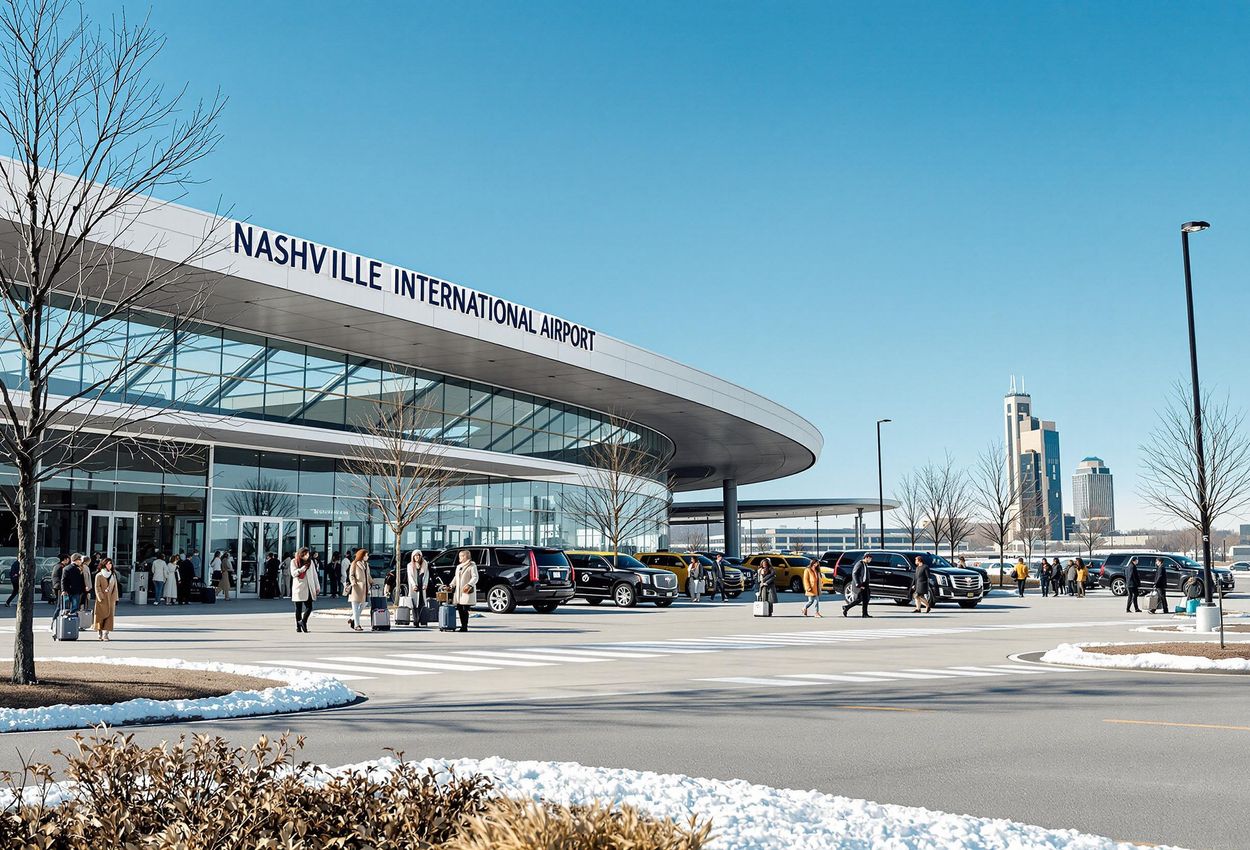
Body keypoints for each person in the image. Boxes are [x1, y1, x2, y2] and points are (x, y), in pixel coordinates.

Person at [290, 547, 319, 633]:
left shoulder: (310, 562)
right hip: (298, 587)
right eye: (305, 554)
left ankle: (303, 621)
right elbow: (293, 573)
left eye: (308, 554)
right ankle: (298, 627)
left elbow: (314, 575)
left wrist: (317, 586)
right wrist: (301, 569)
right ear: (301, 554)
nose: (307, 555)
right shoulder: (294, 561)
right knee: (298, 608)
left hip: (309, 587)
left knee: (309, 607)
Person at [93, 557, 119, 641]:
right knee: (100, 616)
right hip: (102, 599)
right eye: (107, 564)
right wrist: (100, 596)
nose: (109, 565)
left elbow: (115, 587)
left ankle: (106, 634)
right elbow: (97, 587)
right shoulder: (99, 575)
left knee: (109, 616)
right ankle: (99, 631)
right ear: (103, 565)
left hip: (111, 599)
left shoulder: (113, 575)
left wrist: (115, 598)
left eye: (110, 563)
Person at [452, 549, 478, 632]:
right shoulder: (459, 566)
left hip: (466, 590)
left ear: (465, 557)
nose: (459, 558)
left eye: (461, 556)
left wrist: (469, 584)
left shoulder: (472, 565)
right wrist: (452, 585)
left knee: (464, 608)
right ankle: (462, 625)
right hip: (459, 591)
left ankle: (464, 626)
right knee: (460, 608)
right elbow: (456, 577)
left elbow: (475, 577)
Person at [346, 549, 370, 632]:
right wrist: (353, 582)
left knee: (365, 603)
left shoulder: (366, 564)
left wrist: (372, 582)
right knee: (355, 606)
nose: (367, 557)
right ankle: (357, 625)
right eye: (366, 555)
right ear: (362, 556)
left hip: (365, 588)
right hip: (356, 587)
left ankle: (352, 618)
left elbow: (368, 575)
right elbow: (351, 575)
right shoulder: (355, 563)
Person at [842, 553, 872, 618]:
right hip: (859, 584)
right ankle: (846, 607)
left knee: (866, 599)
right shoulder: (859, 564)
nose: (871, 560)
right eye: (870, 558)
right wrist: (857, 584)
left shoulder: (865, 564)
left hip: (865, 584)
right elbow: (855, 574)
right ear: (866, 557)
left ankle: (865, 614)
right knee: (859, 599)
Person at [407, 550, 429, 626]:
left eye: (418, 555)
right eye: (415, 556)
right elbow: (410, 576)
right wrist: (413, 585)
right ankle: (416, 620)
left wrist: (425, 584)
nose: (417, 557)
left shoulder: (425, 564)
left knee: (421, 603)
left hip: (421, 585)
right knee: (414, 604)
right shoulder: (410, 565)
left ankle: (421, 620)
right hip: (414, 586)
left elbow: (426, 575)